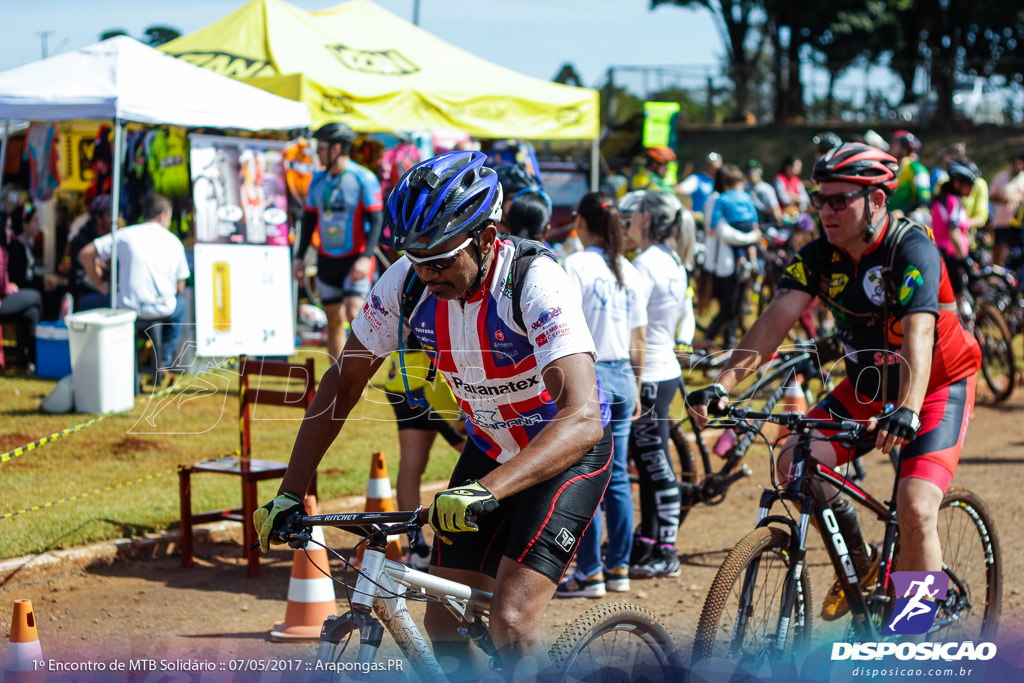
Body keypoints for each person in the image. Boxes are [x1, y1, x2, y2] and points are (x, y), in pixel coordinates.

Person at [254, 150, 612, 680]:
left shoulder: (536, 282)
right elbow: (344, 380)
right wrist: (291, 487)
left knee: (511, 620)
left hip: (564, 456)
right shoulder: (407, 281)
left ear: (488, 238)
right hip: (491, 448)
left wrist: (490, 491)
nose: (427, 272)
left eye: (441, 260)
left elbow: (582, 417)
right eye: (415, 258)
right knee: (444, 624)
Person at [688, 142, 981, 623]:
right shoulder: (818, 257)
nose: (826, 210)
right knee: (793, 460)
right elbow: (773, 321)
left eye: (840, 199)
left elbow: (920, 335)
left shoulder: (912, 249)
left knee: (915, 507)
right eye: (820, 199)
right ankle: (862, 562)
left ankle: (914, 633)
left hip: (934, 387)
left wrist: (906, 408)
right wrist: (723, 383)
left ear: (877, 200)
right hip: (868, 386)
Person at [556, 192, 647, 598]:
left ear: (581, 222)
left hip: (592, 377)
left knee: (585, 477)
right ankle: (619, 568)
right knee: (619, 479)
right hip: (624, 376)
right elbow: (638, 337)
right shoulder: (627, 270)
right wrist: (638, 385)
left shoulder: (573, 266)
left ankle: (590, 572)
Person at [626, 189, 697, 579]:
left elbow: (630, 322)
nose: (629, 220)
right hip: (664, 368)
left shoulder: (645, 263)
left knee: (654, 463)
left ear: (647, 219)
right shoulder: (671, 259)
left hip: (649, 373)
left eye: (633, 214)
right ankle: (651, 539)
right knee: (653, 458)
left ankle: (667, 551)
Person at [293, 122, 384, 363]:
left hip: (356, 258)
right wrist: (300, 258)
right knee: (333, 319)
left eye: (321, 147)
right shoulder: (317, 181)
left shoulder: (363, 178)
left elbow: (377, 221)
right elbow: (309, 221)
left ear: (336, 149)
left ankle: (359, 375)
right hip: (327, 259)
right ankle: (340, 377)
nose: (317, 152)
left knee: (355, 314)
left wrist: (366, 258)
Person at [78, 194, 191, 375]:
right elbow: (180, 288)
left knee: (85, 304)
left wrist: (101, 285)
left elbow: (86, 254)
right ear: (163, 215)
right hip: (162, 309)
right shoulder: (174, 242)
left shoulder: (126, 234)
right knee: (182, 304)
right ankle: (165, 359)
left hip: (126, 308)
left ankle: (94, 360)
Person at [382, 346, 466, 571]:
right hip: (429, 384)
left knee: (410, 466)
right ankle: (492, 543)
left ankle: (417, 549)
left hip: (398, 379)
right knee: (485, 453)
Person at [703, 164, 762, 348]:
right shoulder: (717, 200)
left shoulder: (723, 199)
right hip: (724, 263)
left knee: (735, 305)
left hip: (734, 262)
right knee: (729, 306)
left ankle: (728, 342)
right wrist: (752, 236)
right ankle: (712, 340)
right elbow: (722, 231)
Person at [932, 160, 980, 309]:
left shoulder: (942, 199)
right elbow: (953, 233)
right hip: (951, 257)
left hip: (942, 254)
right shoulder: (953, 201)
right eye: (970, 184)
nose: (972, 189)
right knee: (956, 303)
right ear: (957, 183)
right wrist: (965, 260)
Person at [0, 211, 43, 372]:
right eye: (8, 227)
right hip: (2, 300)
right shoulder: (2, 252)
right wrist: (11, 287)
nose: (11, 231)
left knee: (32, 312)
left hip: (4, 297)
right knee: (36, 297)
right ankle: (37, 357)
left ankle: (30, 360)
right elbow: (2, 287)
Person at [69, 195, 113, 311]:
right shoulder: (81, 241)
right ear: (98, 218)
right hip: (86, 295)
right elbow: (80, 276)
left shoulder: (114, 238)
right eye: (110, 215)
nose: (116, 220)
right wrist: (100, 285)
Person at [987, 148, 1024, 266]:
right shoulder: (1000, 178)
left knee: (1016, 251)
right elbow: (990, 196)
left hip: (1018, 224)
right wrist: (1002, 200)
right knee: (1000, 249)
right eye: (1015, 163)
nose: (1017, 166)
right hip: (1001, 221)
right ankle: (997, 274)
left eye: (1020, 163)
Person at [888, 130, 931, 219]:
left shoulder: (917, 168)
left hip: (906, 220)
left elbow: (924, 200)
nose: (890, 146)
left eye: (894, 143)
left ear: (904, 148)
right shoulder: (890, 166)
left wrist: (904, 212)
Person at [678, 152, 723, 224]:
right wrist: (688, 212)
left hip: (719, 223)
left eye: (717, 167)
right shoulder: (696, 179)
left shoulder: (724, 181)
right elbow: (678, 190)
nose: (714, 169)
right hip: (701, 223)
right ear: (706, 165)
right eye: (711, 166)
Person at [745, 158, 783, 228]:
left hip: (765, 221)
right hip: (750, 220)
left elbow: (775, 208)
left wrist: (779, 221)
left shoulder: (766, 188)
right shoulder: (744, 187)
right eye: (750, 172)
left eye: (755, 171)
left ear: (760, 171)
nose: (752, 174)